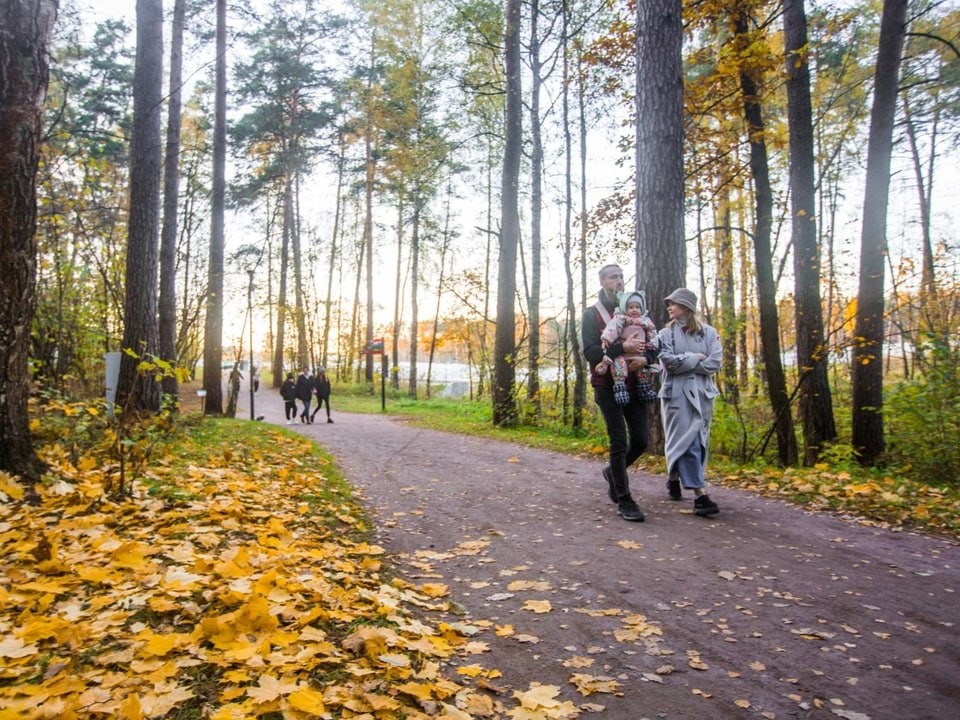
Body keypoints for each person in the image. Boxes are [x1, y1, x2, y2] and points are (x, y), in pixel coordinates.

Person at [581, 263, 651, 522]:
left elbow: (653, 345)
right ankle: (624, 499)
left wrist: (646, 359)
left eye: (621, 276)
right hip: (607, 385)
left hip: (636, 383)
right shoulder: (592, 314)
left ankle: (612, 472)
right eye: (613, 277)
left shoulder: (636, 311)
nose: (619, 281)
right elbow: (590, 352)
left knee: (641, 440)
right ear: (602, 282)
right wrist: (622, 347)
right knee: (619, 441)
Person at [658, 288, 722, 516]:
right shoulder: (665, 335)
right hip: (676, 395)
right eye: (669, 304)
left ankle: (674, 477)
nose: (669, 308)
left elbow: (715, 363)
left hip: (702, 394)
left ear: (686, 307)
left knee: (699, 441)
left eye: (673, 303)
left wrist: (685, 362)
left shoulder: (709, 333)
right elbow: (668, 363)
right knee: (687, 441)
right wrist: (695, 357)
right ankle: (700, 496)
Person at [595, 290, 660, 405]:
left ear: (642, 309)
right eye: (631, 307)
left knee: (643, 369)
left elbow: (653, 333)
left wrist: (652, 345)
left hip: (639, 353)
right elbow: (612, 329)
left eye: (637, 307)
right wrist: (606, 339)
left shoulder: (646, 321)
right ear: (625, 308)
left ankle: (644, 388)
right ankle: (620, 388)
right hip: (622, 354)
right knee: (619, 366)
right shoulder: (620, 319)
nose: (634, 310)